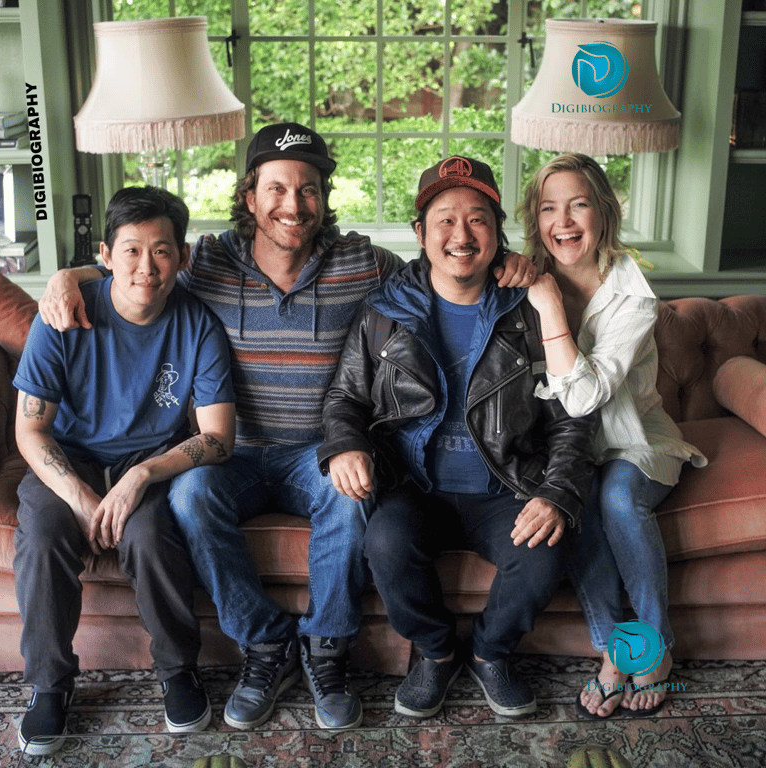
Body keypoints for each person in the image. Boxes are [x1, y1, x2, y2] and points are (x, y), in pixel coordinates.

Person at [37, 125, 535, 731]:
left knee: (349, 496)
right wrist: (71, 277)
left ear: (324, 197)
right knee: (190, 497)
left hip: (319, 451)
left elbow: (445, 264)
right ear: (250, 197)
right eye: (276, 188)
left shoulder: (364, 264)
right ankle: (266, 644)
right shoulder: (210, 261)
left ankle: (327, 651)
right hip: (231, 452)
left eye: (308, 189)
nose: (292, 205)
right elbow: (141, 269)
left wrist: (510, 264)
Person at [318, 155, 597, 719]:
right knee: (385, 544)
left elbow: (572, 413)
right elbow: (345, 396)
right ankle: (436, 652)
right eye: (444, 220)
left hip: (505, 485)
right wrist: (344, 445)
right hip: (414, 485)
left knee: (545, 554)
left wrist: (556, 492)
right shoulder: (383, 311)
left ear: (497, 235)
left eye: (477, 220)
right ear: (420, 234)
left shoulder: (531, 308)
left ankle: (491, 653)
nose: (461, 236)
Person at [13, 186, 236, 756]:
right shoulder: (64, 314)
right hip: (70, 461)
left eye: (162, 251)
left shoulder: (198, 324)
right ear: (105, 255)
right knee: (39, 533)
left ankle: (177, 671)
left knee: (152, 537)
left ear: (182, 258)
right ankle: (49, 684)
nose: (147, 267)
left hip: (150, 463)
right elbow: (30, 430)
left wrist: (141, 478)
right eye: (131, 250)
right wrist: (81, 496)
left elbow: (217, 437)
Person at [519, 153, 706, 718]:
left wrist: (550, 305)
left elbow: (584, 396)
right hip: (559, 449)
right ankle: (615, 648)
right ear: (536, 219)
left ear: (603, 212)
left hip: (632, 440)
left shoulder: (633, 296)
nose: (564, 221)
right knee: (573, 503)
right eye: (550, 207)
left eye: (579, 204)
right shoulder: (522, 275)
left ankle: (654, 647)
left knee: (618, 498)